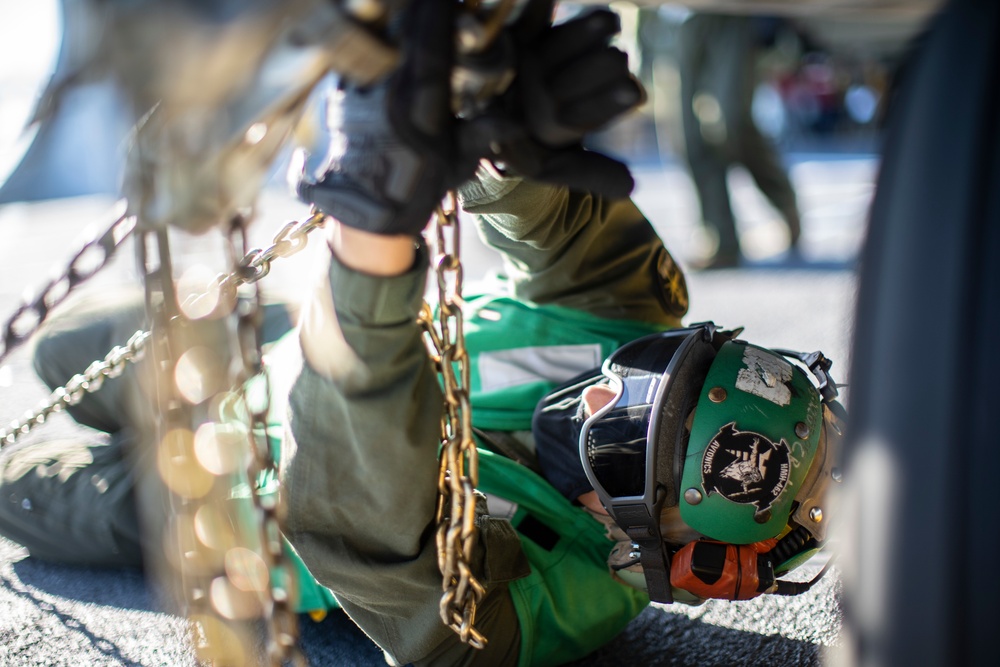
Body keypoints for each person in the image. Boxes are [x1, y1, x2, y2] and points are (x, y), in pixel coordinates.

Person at [0, 2, 842, 665]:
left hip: (225, 492)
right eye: (660, 367)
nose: (601, 396)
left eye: (624, 441)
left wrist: (372, 232)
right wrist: (501, 129)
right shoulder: (624, 312)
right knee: (58, 348)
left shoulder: (536, 613)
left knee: (12, 487)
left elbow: (376, 517)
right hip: (273, 347)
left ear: (651, 544)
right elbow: (565, 223)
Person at [674, 12, 803, 269]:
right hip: (675, 15)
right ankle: (721, 238)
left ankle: (783, 199)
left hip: (729, 11)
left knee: (730, 122)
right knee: (689, 135)